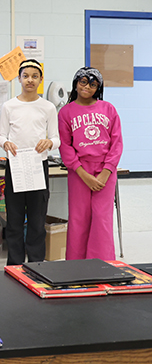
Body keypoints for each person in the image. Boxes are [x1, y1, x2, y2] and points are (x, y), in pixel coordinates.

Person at [0, 59, 60, 266]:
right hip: (15, 167)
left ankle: (36, 264)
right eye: (25, 76)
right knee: (14, 220)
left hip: (38, 167)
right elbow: (1, 135)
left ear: (41, 79)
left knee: (37, 220)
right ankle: (15, 265)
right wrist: (5, 143)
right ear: (19, 79)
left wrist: (49, 142)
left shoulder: (48, 107)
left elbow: (56, 138)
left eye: (34, 76)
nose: (30, 80)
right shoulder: (9, 106)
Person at [58, 67, 123, 261]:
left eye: (93, 84)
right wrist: (82, 174)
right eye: (83, 82)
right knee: (79, 218)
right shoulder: (66, 112)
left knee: (102, 218)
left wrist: (106, 172)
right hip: (79, 171)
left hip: (105, 171)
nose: (87, 87)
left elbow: (117, 143)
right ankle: (76, 265)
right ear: (76, 83)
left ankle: (102, 263)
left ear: (98, 88)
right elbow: (65, 146)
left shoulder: (108, 109)